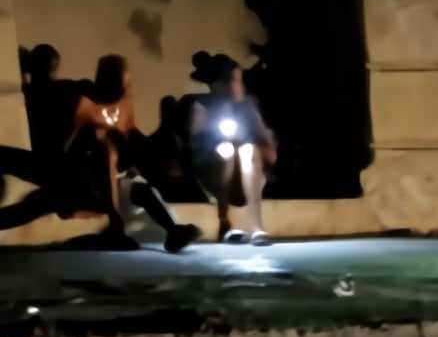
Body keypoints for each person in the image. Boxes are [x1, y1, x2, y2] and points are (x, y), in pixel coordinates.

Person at [2, 53, 200, 252]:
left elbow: (132, 137)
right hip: (77, 178)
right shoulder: (82, 101)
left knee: (140, 189)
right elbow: (62, 152)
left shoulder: (122, 107)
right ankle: (115, 227)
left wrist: (157, 151)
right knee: (42, 200)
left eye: (122, 79)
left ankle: (173, 230)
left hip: (104, 182)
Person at [187, 54, 276, 245]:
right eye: (235, 81)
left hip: (248, 175)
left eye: (240, 80)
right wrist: (216, 143)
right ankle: (224, 220)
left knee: (248, 149)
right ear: (219, 84)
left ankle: (256, 227)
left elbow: (268, 148)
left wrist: (252, 143)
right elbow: (196, 149)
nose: (240, 86)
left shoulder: (248, 106)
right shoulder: (202, 106)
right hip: (216, 175)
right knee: (226, 149)